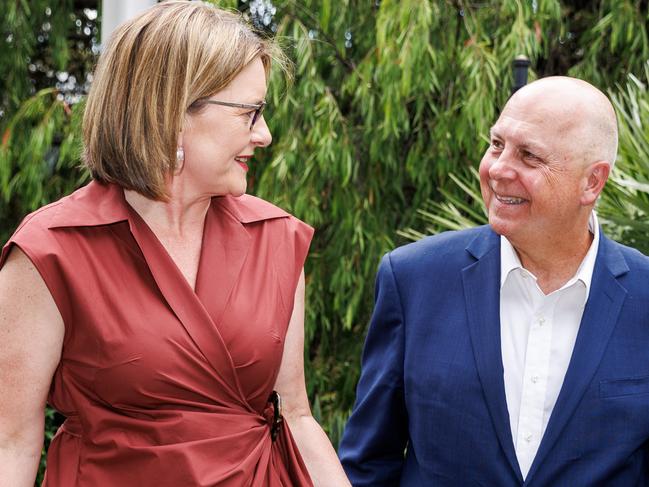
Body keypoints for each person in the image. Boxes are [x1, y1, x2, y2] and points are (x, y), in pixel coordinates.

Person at [0, 2, 351, 486]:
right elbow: (10, 441)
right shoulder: (51, 253)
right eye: (249, 114)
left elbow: (296, 415)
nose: (265, 135)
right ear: (173, 111)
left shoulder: (277, 239)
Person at [339, 76, 649, 486]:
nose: (498, 169)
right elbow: (367, 465)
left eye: (530, 156)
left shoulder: (643, 297)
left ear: (592, 181)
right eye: (497, 144)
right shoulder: (413, 279)